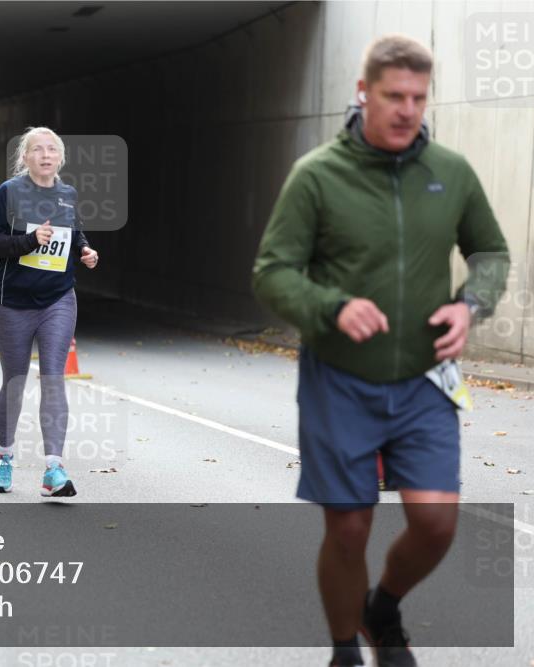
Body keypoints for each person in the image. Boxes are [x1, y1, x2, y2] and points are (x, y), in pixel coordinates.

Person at [251, 36, 509, 667]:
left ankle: (382, 607)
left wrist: (469, 303)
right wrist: (331, 307)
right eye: (394, 95)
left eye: (419, 97)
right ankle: (344, 649)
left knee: (437, 522)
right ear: (364, 93)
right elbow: (272, 272)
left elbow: (491, 251)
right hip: (340, 378)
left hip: (424, 380)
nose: (407, 110)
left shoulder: (449, 172)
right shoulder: (317, 176)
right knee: (348, 525)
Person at [0, 126, 99, 498]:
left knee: (53, 379)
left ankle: (54, 469)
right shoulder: (9, 192)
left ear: (60, 158)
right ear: (25, 157)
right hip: (13, 301)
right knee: (14, 381)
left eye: (52, 150)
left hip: (58, 298)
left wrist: (85, 251)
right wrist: (29, 242)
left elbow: (73, 233)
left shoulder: (67, 194)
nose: (46, 155)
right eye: (37, 149)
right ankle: (4, 456)